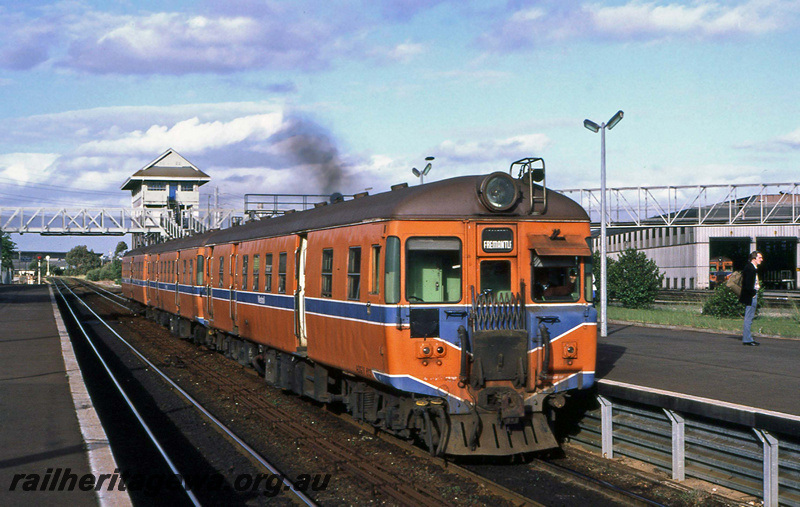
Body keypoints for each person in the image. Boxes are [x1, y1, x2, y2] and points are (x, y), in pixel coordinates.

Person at [739, 251, 763, 346]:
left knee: (749, 317)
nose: (761, 259)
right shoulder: (750, 269)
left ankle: (747, 338)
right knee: (749, 317)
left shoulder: (751, 268)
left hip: (751, 295)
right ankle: (747, 339)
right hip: (751, 296)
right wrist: (753, 293)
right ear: (754, 258)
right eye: (760, 257)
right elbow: (748, 284)